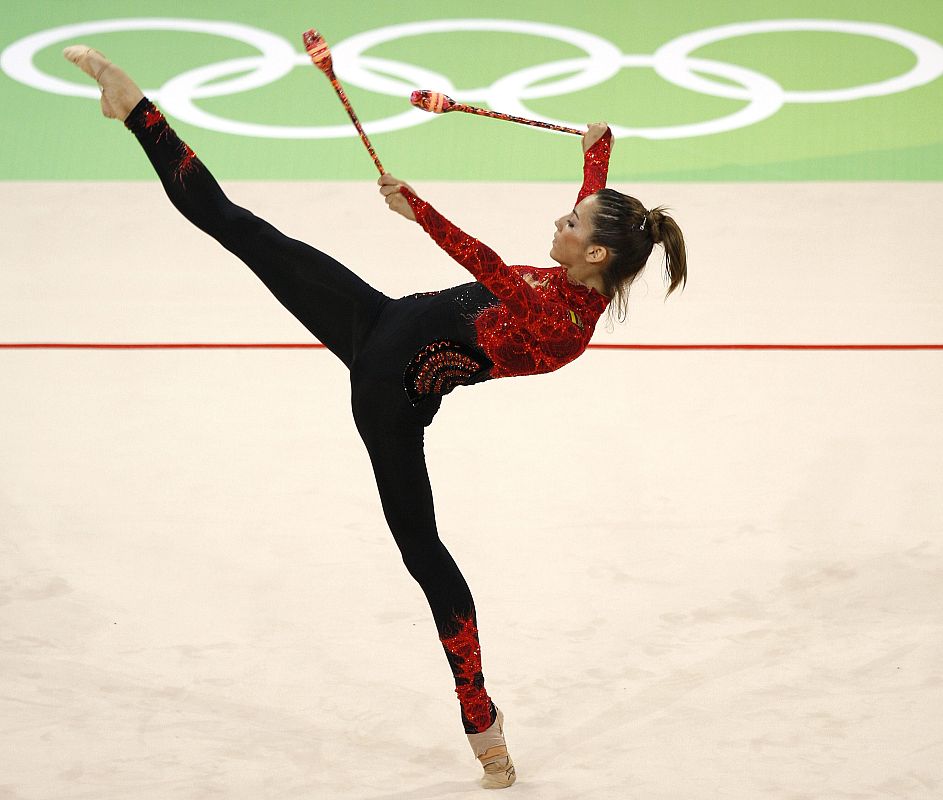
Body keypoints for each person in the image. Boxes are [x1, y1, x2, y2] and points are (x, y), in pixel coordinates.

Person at [63, 44, 687, 790]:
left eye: (573, 220)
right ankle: (136, 110)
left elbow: (488, 268)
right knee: (245, 230)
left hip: (390, 395)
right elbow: (593, 192)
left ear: (594, 257)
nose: (560, 221)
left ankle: (480, 719)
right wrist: (597, 153)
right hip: (378, 320)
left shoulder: (561, 322)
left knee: (424, 554)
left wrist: (416, 207)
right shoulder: (593, 259)